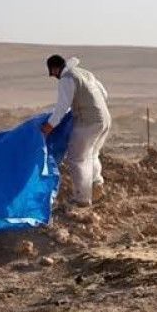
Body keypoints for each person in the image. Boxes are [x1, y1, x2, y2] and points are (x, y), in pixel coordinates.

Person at [41, 55, 112, 208]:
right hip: (104, 119)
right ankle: (96, 184)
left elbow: (61, 107)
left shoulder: (67, 79)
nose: (55, 77)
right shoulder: (85, 73)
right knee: (92, 154)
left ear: (54, 69)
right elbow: (104, 95)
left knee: (77, 158)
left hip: (87, 123)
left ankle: (82, 199)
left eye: (53, 74)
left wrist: (49, 126)